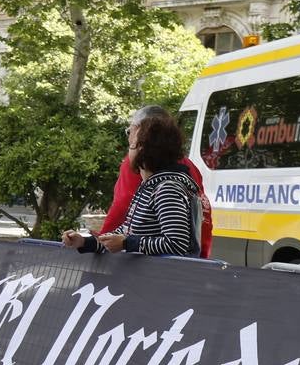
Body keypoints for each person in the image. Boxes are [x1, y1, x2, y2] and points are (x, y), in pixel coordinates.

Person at [62, 107, 202, 258]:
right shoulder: (151, 187)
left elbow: (176, 243)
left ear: (143, 149)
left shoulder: (167, 189)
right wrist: (85, 242)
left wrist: (126, 243)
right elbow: (126, 233)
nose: (129, 151)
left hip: (160, 278)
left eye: (132, 145)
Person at [99, 105, 213, 257]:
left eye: (130, 131)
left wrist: (118, 244)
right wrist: (95, 243)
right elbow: (129, 227)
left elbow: (122, 207)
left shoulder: (166, 187)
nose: (129, 145)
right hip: (188, 263)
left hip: (159, 272)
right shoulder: (188, 168)